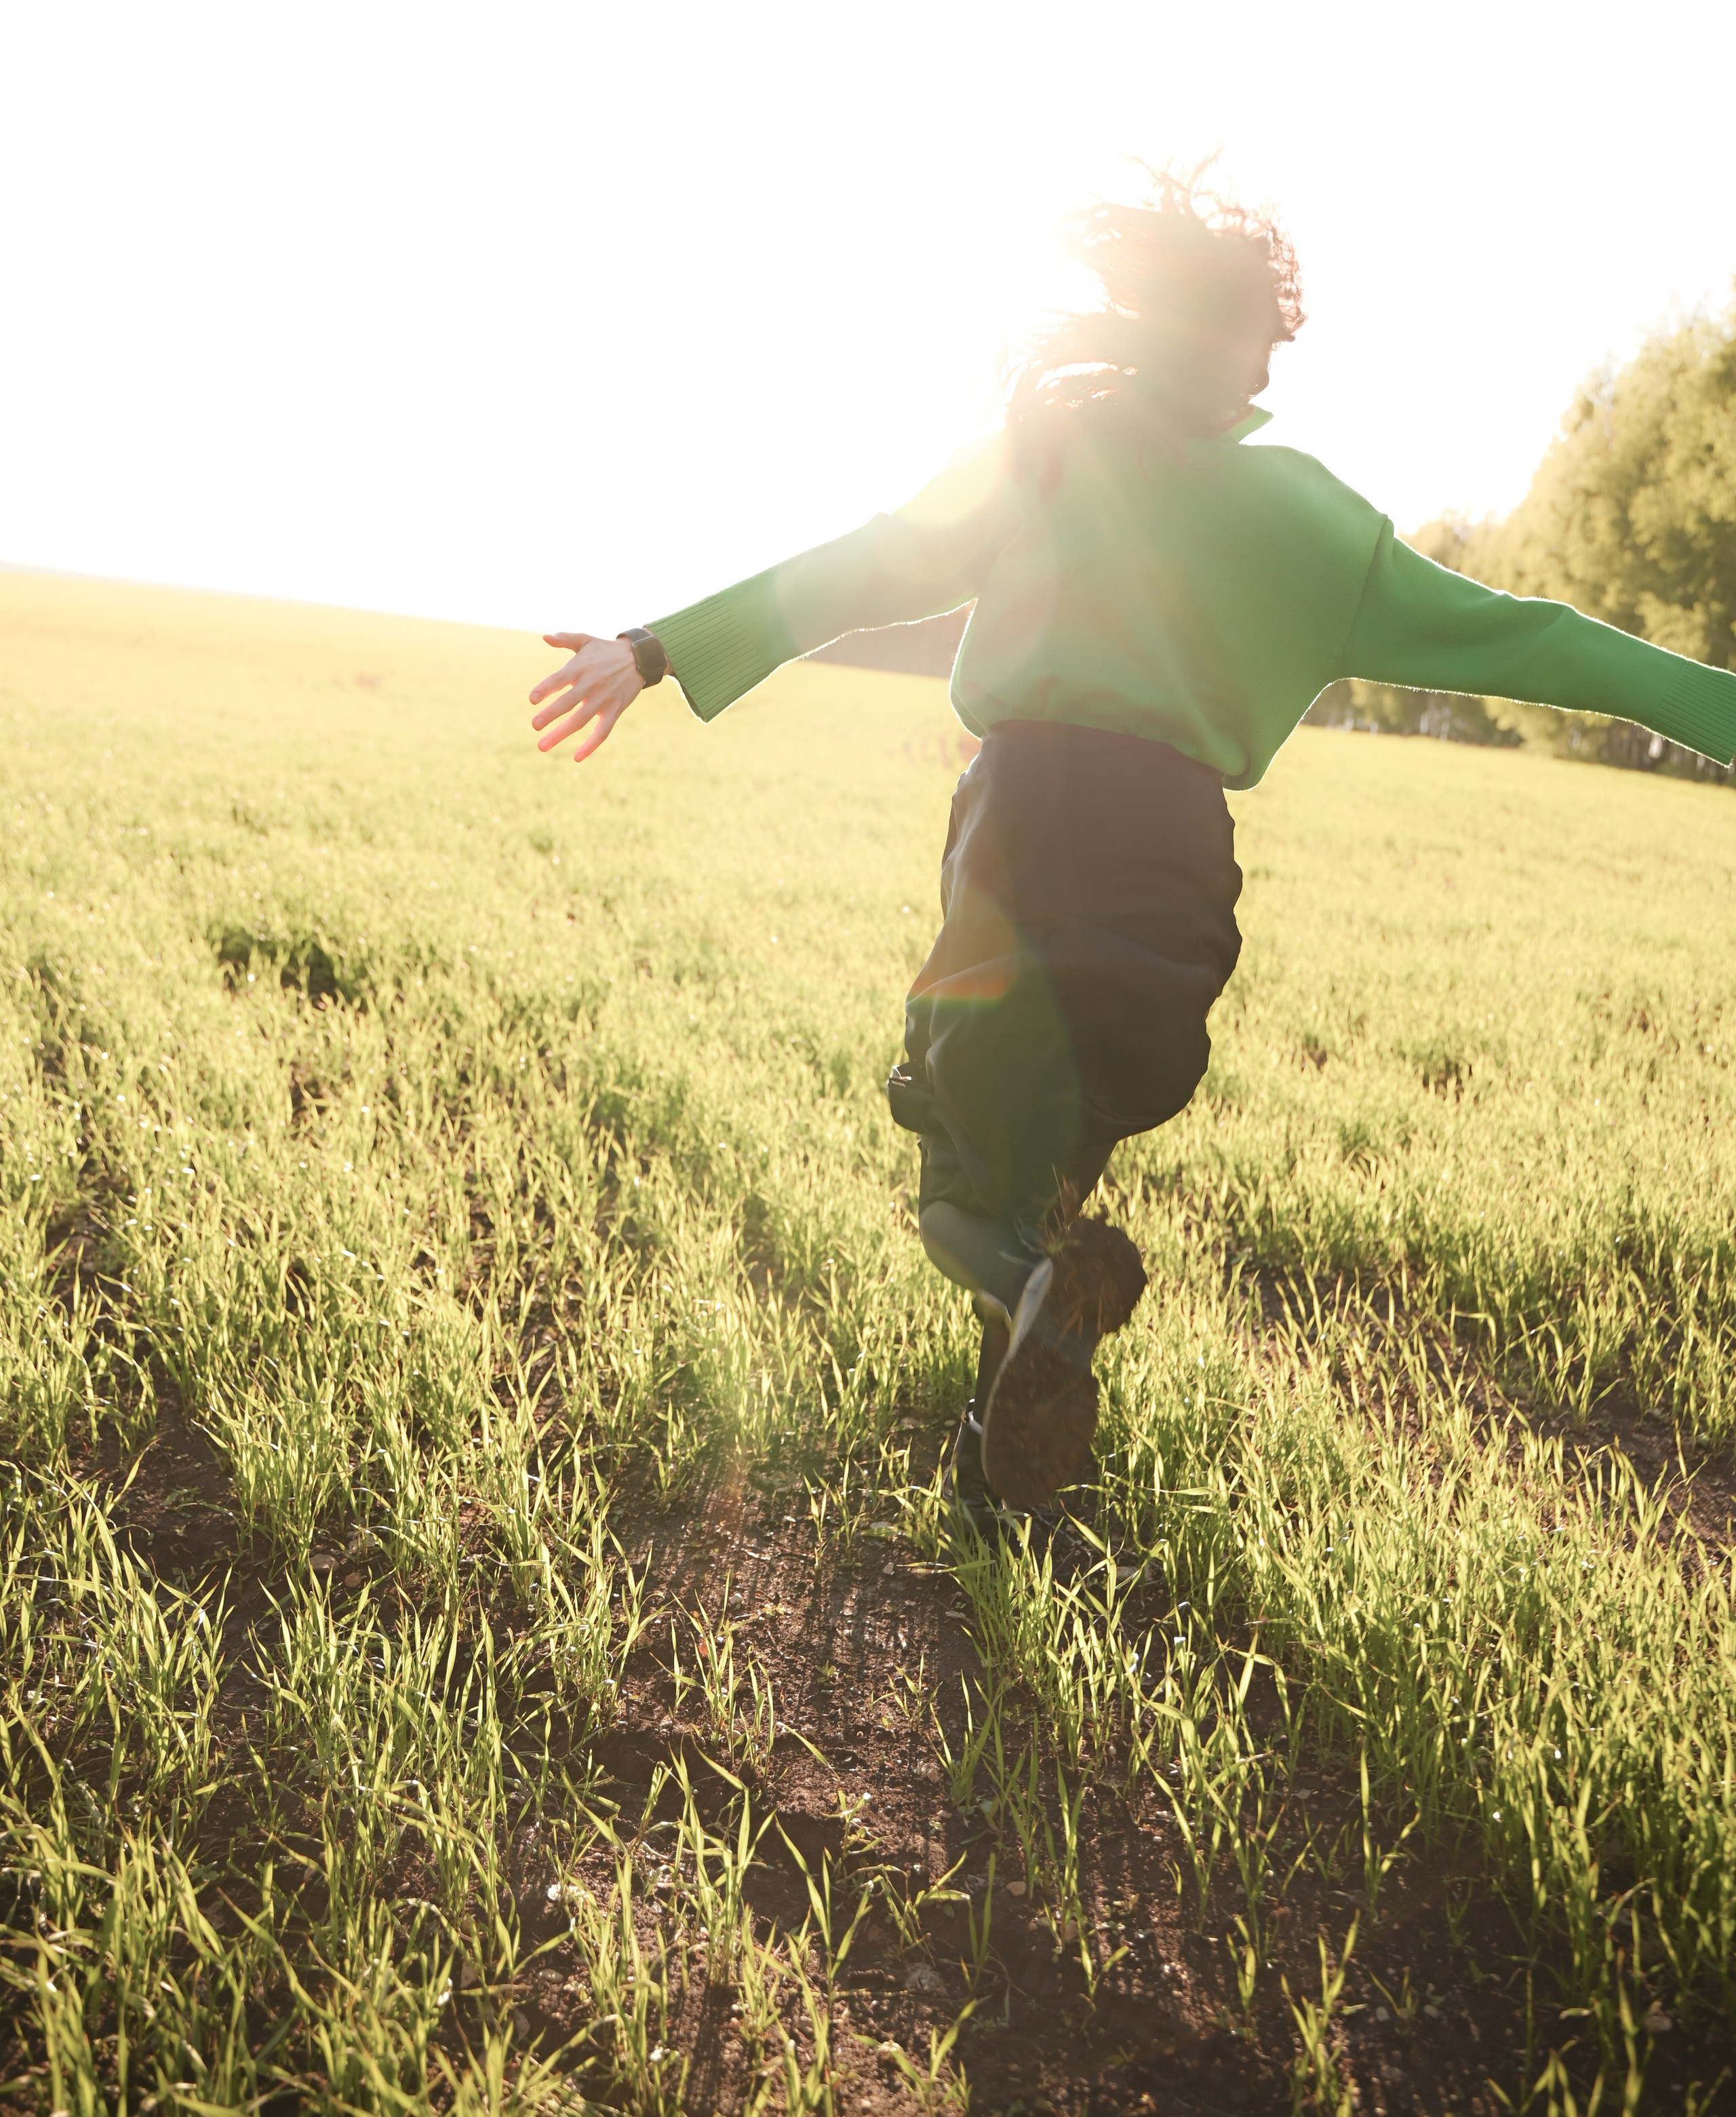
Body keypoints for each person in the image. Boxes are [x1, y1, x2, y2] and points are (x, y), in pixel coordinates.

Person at [530, 170, 1736, 1531]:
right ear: (1209, 341)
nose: (1272, 367)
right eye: (1262, 341)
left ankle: (1025, 1331)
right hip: (1175, 866)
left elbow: (865, 567)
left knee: (957, 1183)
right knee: (1048, 1182)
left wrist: (658, 647)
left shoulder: (1045, 455)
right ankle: (1010, 1460)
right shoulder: (1305, 519)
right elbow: (1535, 637)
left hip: (1024, 828)